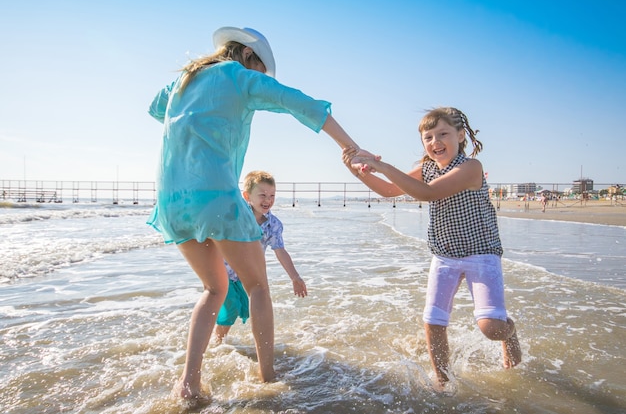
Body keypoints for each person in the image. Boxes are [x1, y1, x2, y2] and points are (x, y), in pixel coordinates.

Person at [147, 26, 375, 403]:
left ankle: (188, 382)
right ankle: (267, 376)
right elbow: (298, 102)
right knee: (257, 287)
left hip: (171, 201)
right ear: (250, 58)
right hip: (215, 197)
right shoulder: (239, 77)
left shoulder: (183, 82)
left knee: (215, 288)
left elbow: (156, 109)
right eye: (259, 70)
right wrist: (352, 148)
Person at [344, 107, 521, 388]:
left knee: (491, 327)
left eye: (443, 134)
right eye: (428, 137)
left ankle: (509, 334)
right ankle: (443, 382)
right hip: (444, 256)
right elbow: (389, 190)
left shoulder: (470, 168)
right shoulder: (427, 167)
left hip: (481, 253)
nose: (435, 142)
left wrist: (383, 165)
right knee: (434, 322)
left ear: (460, 136)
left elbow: (429, 193)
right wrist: (358, 171)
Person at [214, 170, 307, 344]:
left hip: (246, 276)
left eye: (272, 195)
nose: (268, 200)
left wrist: (295, 277)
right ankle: (217, 343)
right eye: (262, 195)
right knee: (230, 308)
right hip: (222, 272)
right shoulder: (236, 216)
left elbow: (280, 251)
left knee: (246, 308)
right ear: (247, 196)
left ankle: (224, 343)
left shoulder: (273, 225)